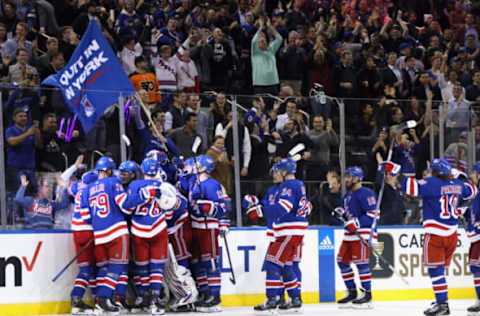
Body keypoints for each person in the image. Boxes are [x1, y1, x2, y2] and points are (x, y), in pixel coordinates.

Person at [401, 158, 477, 315]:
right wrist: (459, 177)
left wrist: (396, 172)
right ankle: (440, 299)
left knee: (435, 271)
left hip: (435, 235)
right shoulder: (457, 185)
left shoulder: (430, 183)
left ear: (435, 172)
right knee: (441, 270)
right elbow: (473, 190)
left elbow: (408, 186)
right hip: (452, 235)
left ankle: (443, 305)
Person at [246, 158, 310, 313]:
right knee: (286, 266)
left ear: (284, 171)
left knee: (272, 264)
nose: (274, 174)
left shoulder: (289, 185)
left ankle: (272, 299)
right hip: (293, 230)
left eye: (277, 171)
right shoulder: (298, 184)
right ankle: (295, 298)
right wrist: (258, 205)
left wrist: (261, 212)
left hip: (288, 230)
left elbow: (284, 207)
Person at [119, 157, 178, 315]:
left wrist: (142, 196)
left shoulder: (135, 185)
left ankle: (145, 298)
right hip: (159, 228)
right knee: (156, 267)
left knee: (142, 267)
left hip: (139, 230)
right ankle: (155, 299)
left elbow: (126, 208)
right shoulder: (165, 185)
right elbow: (173, 211)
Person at [80, 157, 130, 314]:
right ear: (109, 170)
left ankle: (102, 300)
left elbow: (85, 216)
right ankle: (104, 298)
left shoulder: (87, 188)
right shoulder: (113, 182)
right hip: (116, 230)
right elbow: (125, 205)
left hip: (99, 235)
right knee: (117, 267)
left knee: (104, 268)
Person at [188, 155, 230, 312]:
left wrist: (206, 205)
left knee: (210, 261)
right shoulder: (194, 182)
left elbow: (222, 207)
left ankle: (215, 296)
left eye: (197, 163)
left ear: (204, 167)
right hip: (196, 226)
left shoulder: (212, 185)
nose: (195, 165)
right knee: (197, 262)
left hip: (208, 227)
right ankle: (205, 293)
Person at [333, 166, 377, 309]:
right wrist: (340, 212)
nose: (346, 179)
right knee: (342, 261)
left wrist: (356, 222)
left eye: (349, 177)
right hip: (349, 235)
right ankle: (352, 291)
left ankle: (367, 294)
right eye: (346, 176)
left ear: (358, 178)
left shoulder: (367, 193)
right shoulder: (347, 195)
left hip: (363, 234)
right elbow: (347, 214)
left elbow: (373, 215)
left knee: (361, 263)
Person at [69, 171, 98, 315]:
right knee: (93, 267)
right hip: (87, 230)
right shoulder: (92, 191)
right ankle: (93, 299)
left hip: (76, 230)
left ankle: (79, 300)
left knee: (87, 268)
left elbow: (69, 188)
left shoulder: (77, 186)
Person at [6, 108, 42, 192]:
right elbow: (12, 142)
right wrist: (27, 134)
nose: (23, 118)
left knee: (31, 194)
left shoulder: (30, 129)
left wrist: (38, 135)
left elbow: (39, 145)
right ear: (14, 118)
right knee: (17, 194)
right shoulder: (10, 130)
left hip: (30, 167)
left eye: (25, 116)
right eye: (20, 116)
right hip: (15, 168)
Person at [251, 17, 283, 95]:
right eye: (261, 40)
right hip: (259, 85)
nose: (263, 41)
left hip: (273, 84)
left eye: (264, 40)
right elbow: (253, 41)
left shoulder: (271, 50)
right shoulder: (255, 53)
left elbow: (279, 39)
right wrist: (261, 27)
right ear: (257, 44)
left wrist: (270, 27)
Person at [466, 162, 480, 315]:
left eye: (474, 172)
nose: (471, 176)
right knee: (476, 269)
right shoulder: (477, 194)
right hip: (476, 238)